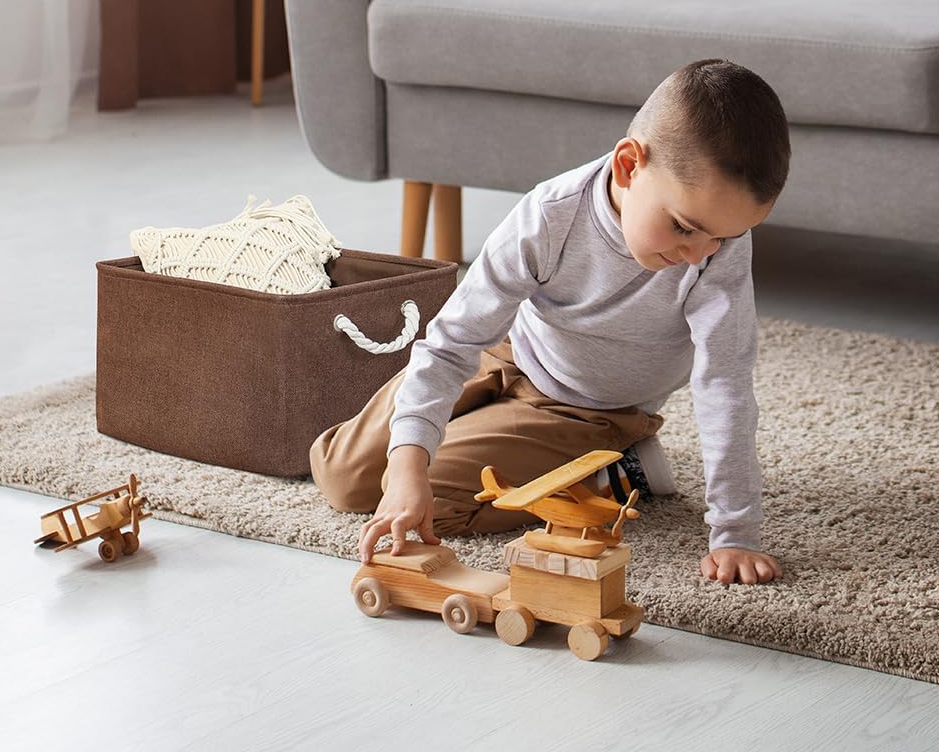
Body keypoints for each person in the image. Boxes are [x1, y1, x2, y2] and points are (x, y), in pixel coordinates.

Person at [311, 58, 791, 585]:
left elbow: (724, 384)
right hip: (507, 353)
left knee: (439, 502)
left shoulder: (717, 252)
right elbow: (452, 342)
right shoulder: (551, 214)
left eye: (721, 237)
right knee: (343, 474)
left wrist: (735, 533)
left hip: (585, 409)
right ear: (628, 166)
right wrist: (408, 464)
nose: (699, 254)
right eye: (683, 227)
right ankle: (492, 447)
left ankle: (618, 471)